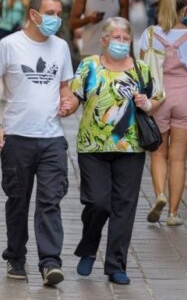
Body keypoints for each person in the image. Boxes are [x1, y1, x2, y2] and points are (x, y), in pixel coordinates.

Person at [0, 0, 75, 286]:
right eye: (50, 13)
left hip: (52, 139)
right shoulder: (9, 45)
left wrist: (68, 103)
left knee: (50, 201)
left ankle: (50, 263)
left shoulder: (61, 47)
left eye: (59, 14)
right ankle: (16, 258)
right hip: (17, 137)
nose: (55, 19)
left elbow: (65, 89)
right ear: (34, 15)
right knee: (18, 201)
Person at [62, 17, 162, 285]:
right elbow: (75, 96)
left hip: (130, 147)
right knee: (97, 202)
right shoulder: (89, 66)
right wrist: (66, 107)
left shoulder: (141, 70)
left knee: (124, 207)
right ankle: (88, 248)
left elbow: (156, 100)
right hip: (92, 145)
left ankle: (116, 264)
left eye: (125, 38)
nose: (120, 43)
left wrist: (147, 104)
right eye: (115, 38)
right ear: (104, 40)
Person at [138, 0, 187, 226]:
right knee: (178, 158)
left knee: (158, 153)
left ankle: (159, 195)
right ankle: (174, 214)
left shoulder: (149, 34)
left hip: (158, 98)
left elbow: (143, 70)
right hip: (185, 96)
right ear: (185, 9)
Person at [47, 0, 80, 70]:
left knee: (67, 61)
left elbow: (74, 15)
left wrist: (75, 36)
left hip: (66, 32)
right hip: (49, 32)